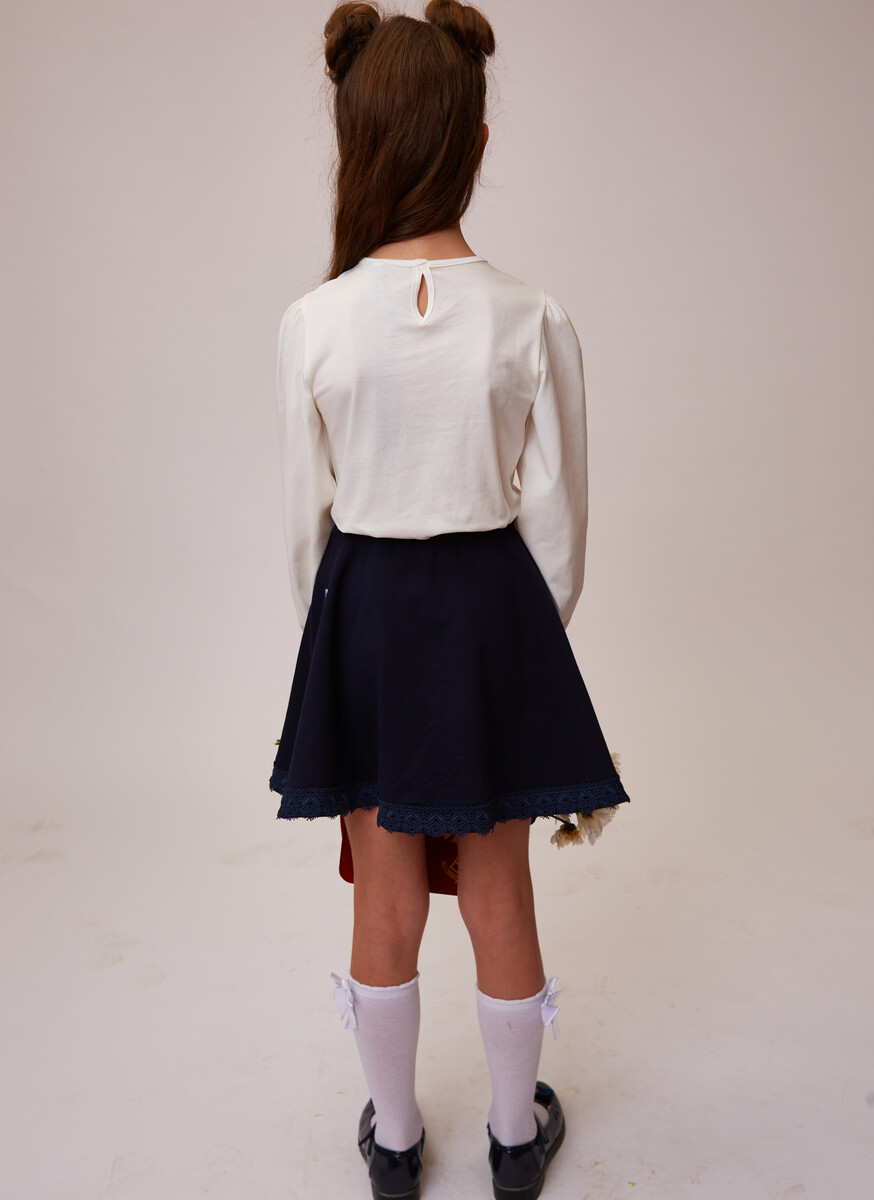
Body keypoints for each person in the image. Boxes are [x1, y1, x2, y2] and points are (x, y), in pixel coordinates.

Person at [268, 3, 632, 1197]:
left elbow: (305, 532)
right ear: (475, 139)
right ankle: (516, 1144)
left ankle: (395, 1143)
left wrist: (347, 645)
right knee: (499, 888)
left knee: (382, 897)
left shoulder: (313, 323)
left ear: (355, 140)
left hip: (364, 617)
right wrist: (516, 646)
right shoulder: (532, 315)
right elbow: (559, 529)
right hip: (491, 618)